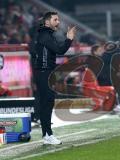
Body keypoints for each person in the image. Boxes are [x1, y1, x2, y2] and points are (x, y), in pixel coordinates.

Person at [34, 11, 76, 145]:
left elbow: (58, 50)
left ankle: (47, 134)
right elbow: (60, 50)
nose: (58, 22)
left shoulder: (46, 34)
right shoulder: (45, 35)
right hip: (44, 72)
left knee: (47, 103)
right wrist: (69, 38)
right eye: (55, 20)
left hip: (46, 72)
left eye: (58, 20)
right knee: (47, 103)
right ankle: (48, 134)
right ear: (47, 22)